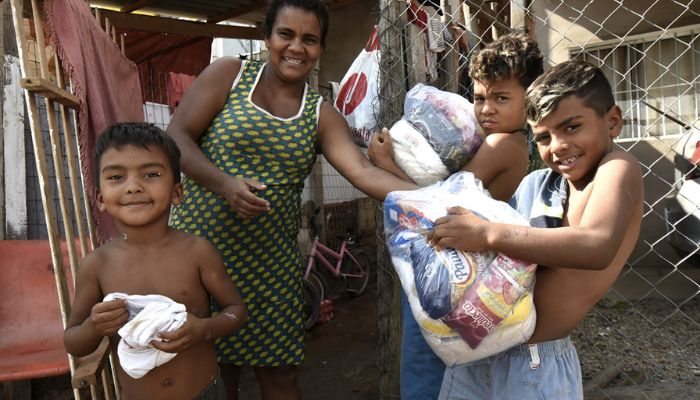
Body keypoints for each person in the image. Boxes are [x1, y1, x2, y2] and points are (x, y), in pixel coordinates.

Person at [164, 0, 417, 398]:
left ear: (320, 48)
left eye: (310, 39)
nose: (296, 47)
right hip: (200, 255)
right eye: (286, 34)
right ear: (267, 37)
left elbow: (364, 172)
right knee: (213, 373)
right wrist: (224, 183)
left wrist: (440, 196)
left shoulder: (321, 114)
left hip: (270, 264)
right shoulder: (230, 75)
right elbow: (176, 136)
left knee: (279, 376)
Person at [429, 60, 644, 399]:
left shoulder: (617, 169)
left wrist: (488, 233)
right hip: (476, 353)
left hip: (534, 363)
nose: (557, 145)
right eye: (543, 136)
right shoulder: (540, 185)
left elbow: (596, 245)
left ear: (612, 121)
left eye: (571, 127)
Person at [369, 33, 543, 400]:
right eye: (479, 98)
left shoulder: (501, 144)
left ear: (529, 103)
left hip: (451, 272)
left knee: (426, 368)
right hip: (460, 267)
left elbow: (438, 203)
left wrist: (386, 164)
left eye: (501, 98)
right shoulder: (507, 141)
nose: (486, 110)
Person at [63, 123, 247, 400]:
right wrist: (94, 326)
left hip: (205, 392)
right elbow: (73, 342)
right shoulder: (96, 264)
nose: (133, 187)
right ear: (100, 198)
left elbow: (236, 312)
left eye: (150, 174)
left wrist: (203, 329)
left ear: (177, 193)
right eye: (116, 177)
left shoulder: (198, 251)